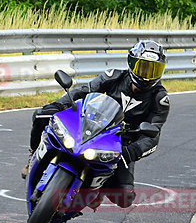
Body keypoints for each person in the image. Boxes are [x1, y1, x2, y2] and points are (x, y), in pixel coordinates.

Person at [21, 40, 170, 209]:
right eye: (143, 67)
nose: (147, 74)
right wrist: (60, 104)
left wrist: (131, 152)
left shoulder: (160, 99)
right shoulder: (114, 76)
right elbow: (86, 90)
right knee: (41, 115)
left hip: (120, 144)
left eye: (153, 69)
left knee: (124, 198)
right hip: (92, 125)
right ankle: (34, 154)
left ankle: (99, 188)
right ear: (131, 63)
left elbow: (153, 135)